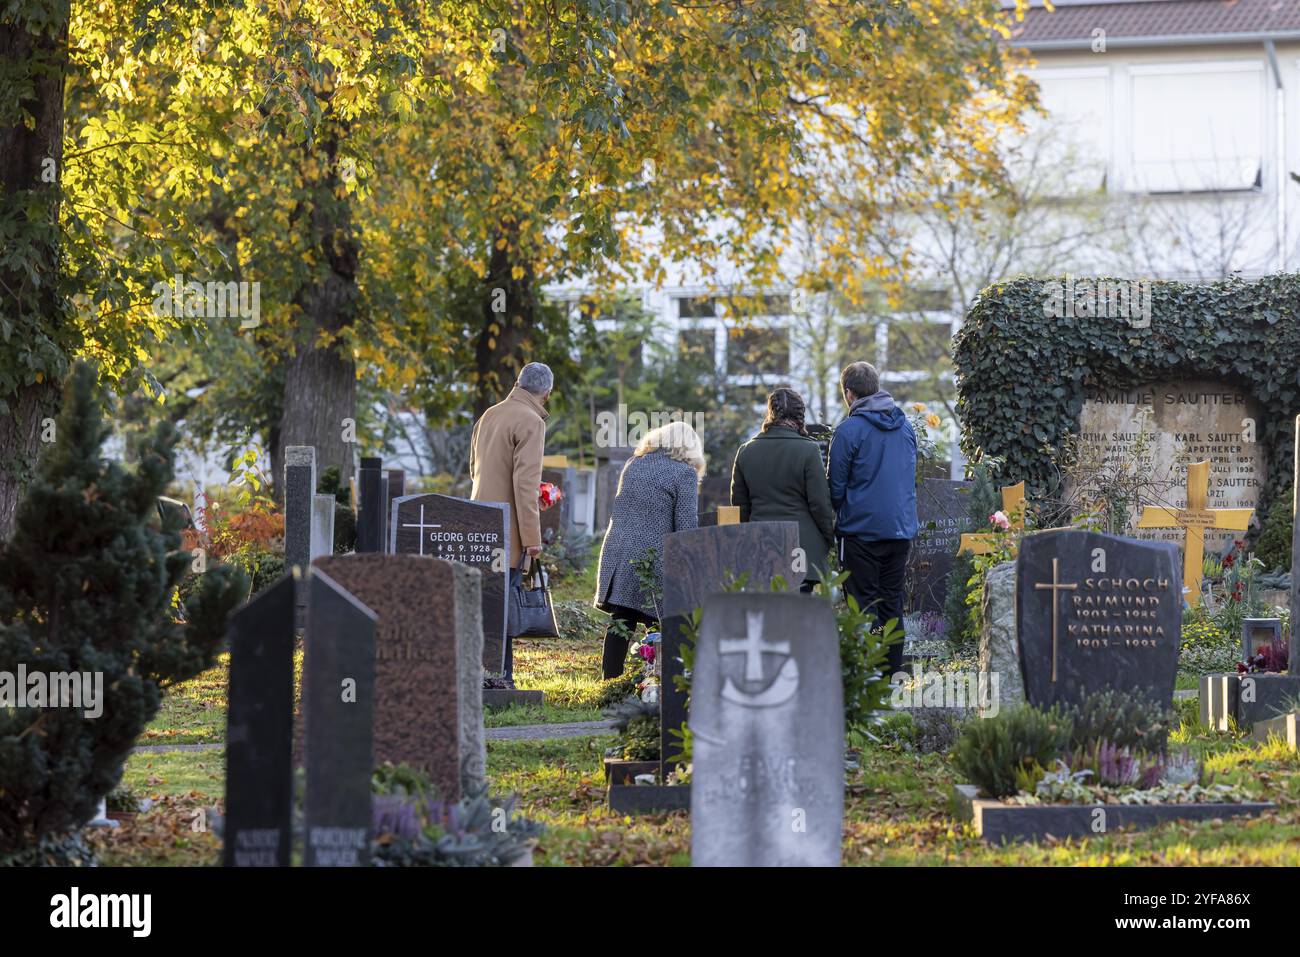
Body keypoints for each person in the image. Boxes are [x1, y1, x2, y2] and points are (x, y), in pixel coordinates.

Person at [593, 421, 704, 679]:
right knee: (661, 620)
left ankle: (610, 682)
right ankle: (655, 682)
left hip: (619, 551)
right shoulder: (684, 473)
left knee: (622, 619)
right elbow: (686, 527)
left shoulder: (634, 464)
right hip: (654, 558)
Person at [827, 361, 918, 676]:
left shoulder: (848, 430)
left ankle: (869, 678)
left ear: (849, 394)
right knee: (891, 602)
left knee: (863, 606)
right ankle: (893, 674)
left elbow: (835, 487)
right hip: (900, 530)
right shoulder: (906, 428)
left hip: (860, 532)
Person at [470, 361, 552, 682]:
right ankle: (500, 676)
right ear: (547, 393)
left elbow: (474, 470)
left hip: (479, 522)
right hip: (509, 530)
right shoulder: (531, 422)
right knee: (504, 605)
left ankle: (486, 673)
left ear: (518, 383)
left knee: (487, 603)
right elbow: (525, 485)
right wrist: (532, 539)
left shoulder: (488, 415)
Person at [730, 387, 834, 591]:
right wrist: (829, 538)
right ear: (799, 415)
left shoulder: (746, 451)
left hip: (760, 545)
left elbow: (740, 507)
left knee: (764, 614)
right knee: (799, 614)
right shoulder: (808, 450)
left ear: (771, 413)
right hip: (802, 548)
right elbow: (820, 503)